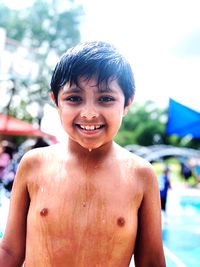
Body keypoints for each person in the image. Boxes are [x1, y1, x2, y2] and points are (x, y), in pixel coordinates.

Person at [0, 41, 166, 267]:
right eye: (74, 98)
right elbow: (10, 251)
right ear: (56, 102)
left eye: (106, 98)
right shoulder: (34, 164)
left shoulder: (140, 175)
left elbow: (152, 261)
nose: (89, 114)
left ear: (127, 102)